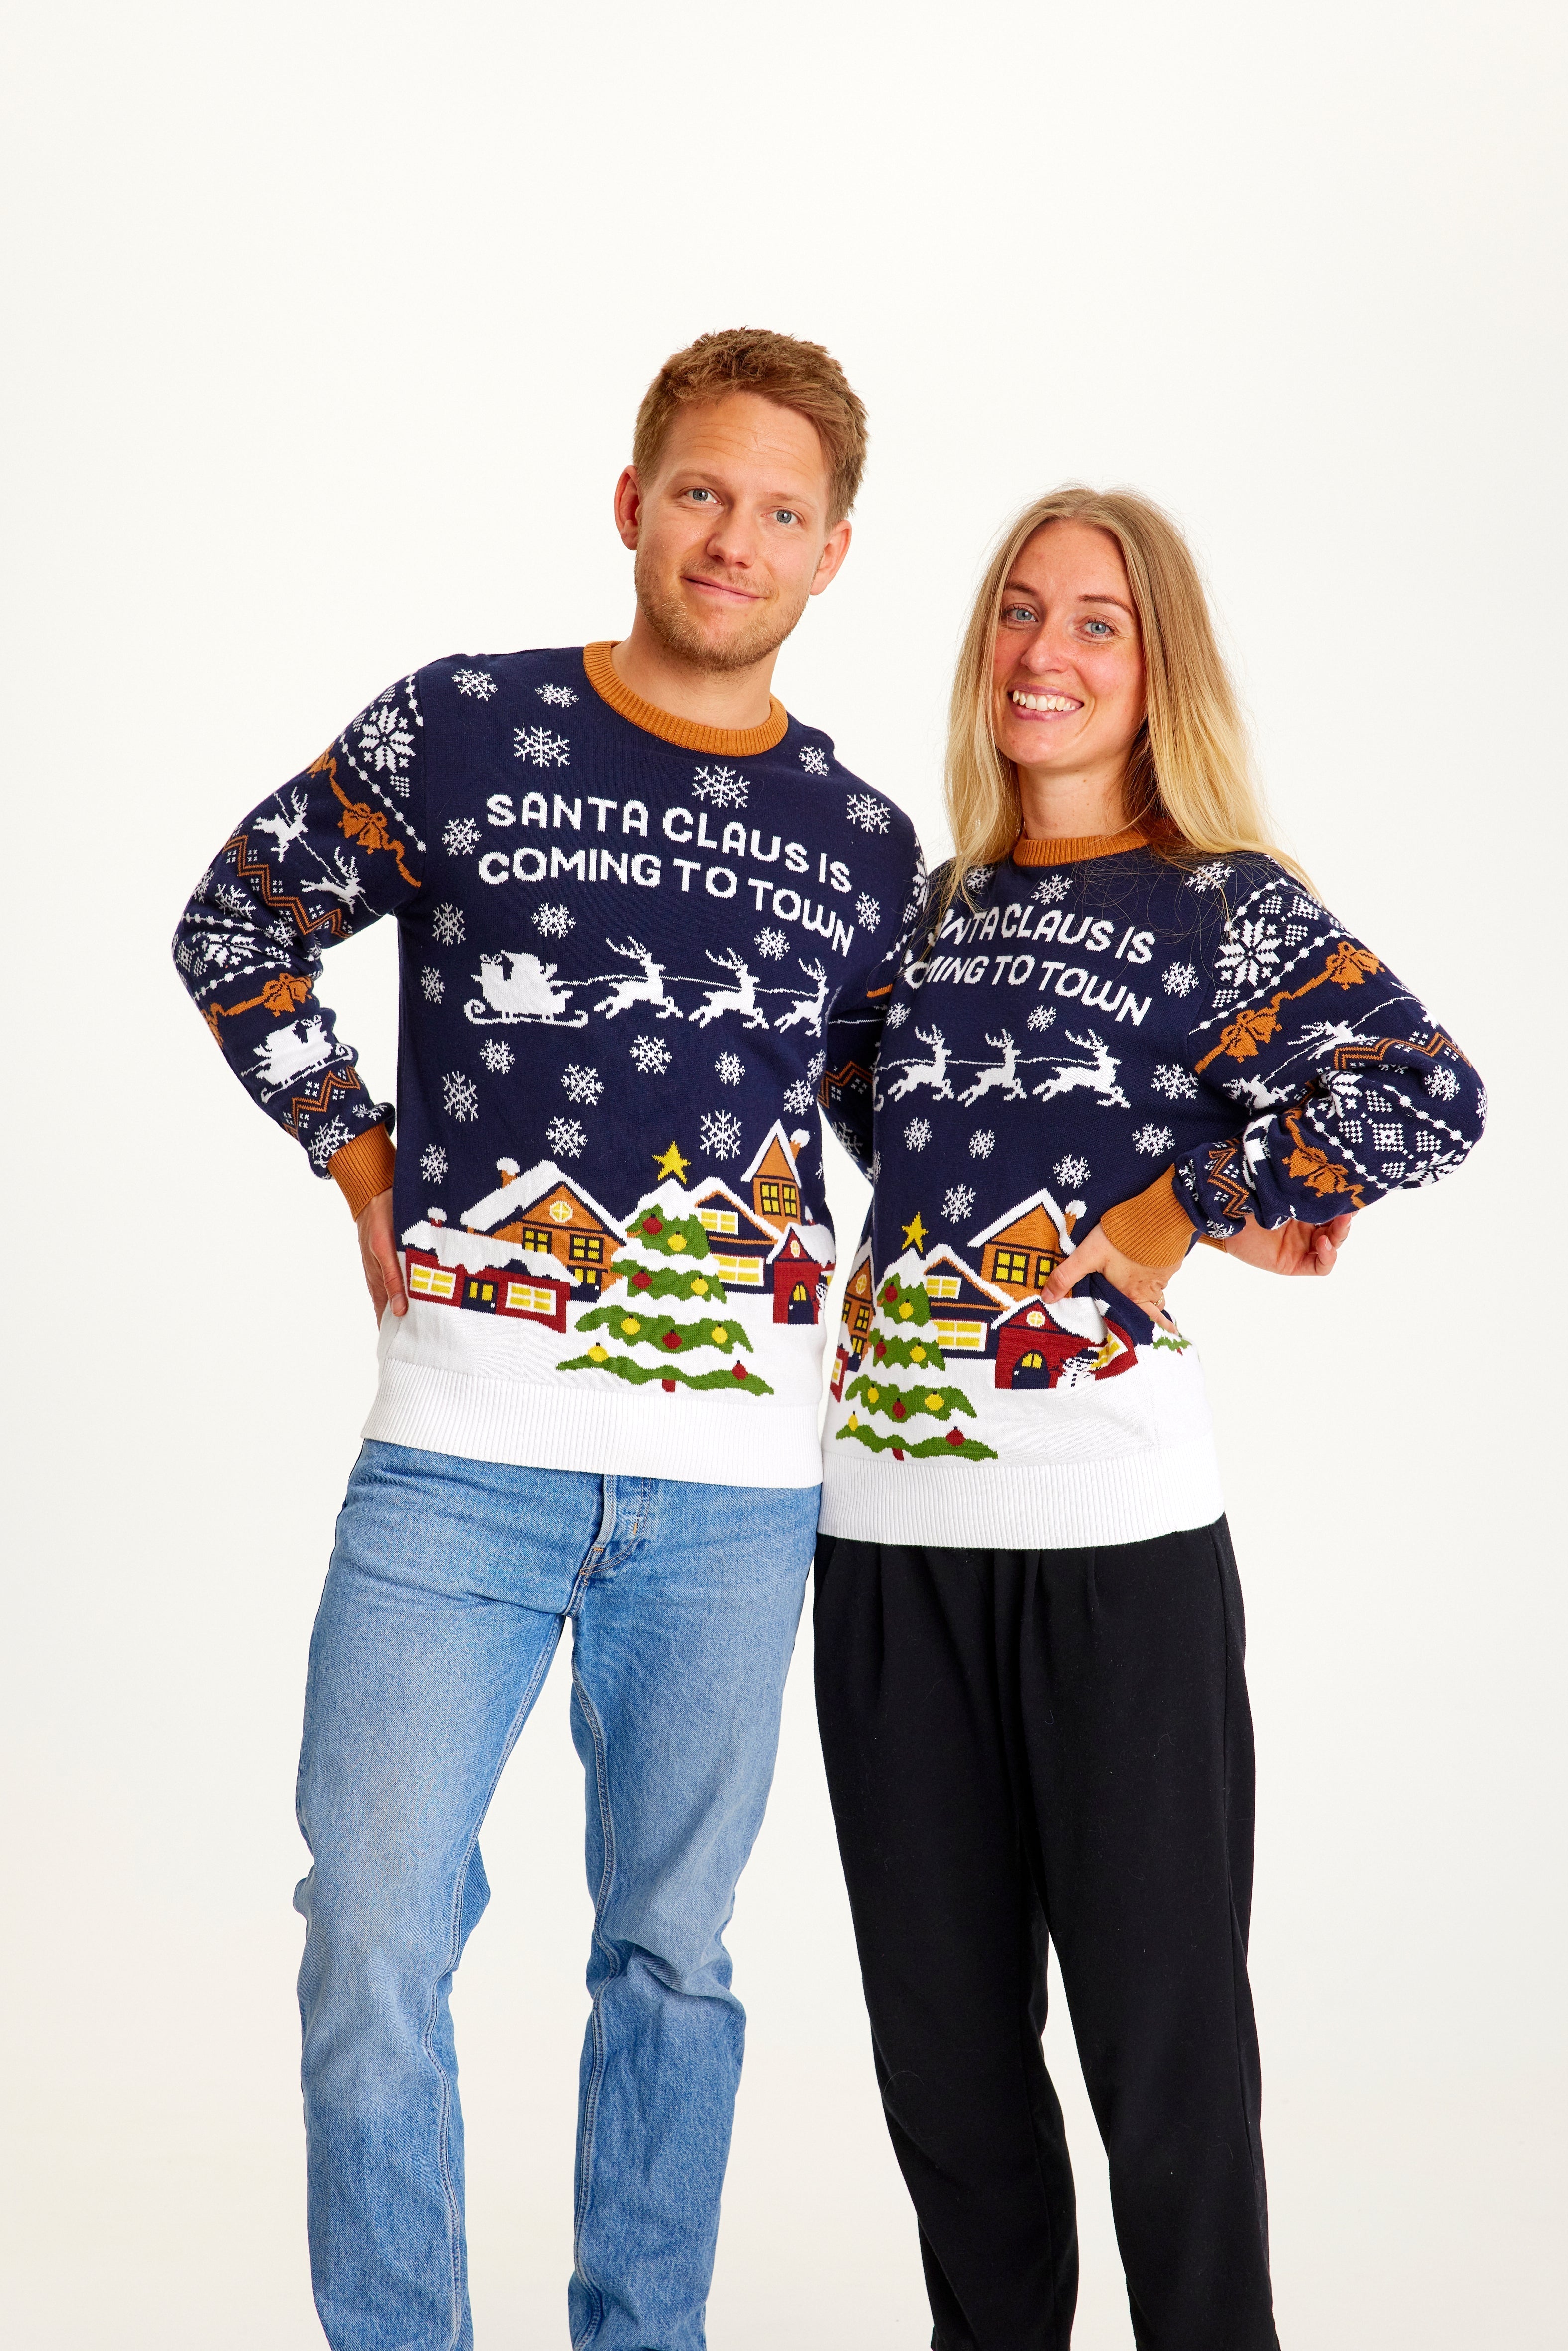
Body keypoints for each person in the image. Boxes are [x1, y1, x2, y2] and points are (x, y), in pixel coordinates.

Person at [172, 328, 923, 2351]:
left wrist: (1178, 1175)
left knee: (671, 1948)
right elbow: (237, 921)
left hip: (741, 1490)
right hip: (459, 1459)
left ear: (832, 551)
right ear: (631, 500)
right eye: (700, 490)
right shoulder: (465, 728)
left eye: (779, 510)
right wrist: (355, 1154)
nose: (730, 536)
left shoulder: (861, 841)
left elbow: (904, 1129)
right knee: (374, 1928)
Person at [813, 486, 1484, 2351]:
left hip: (1117, 1552)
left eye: (1097, 621)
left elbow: (1429, 1091)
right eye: (1022, 612)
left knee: (1166, 2062)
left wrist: (1186, 1205)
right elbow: (897, 1138)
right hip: (882, 1552)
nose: (1048, 651)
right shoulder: (924, 915)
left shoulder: (1223, 901)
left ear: (1154, 661)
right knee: (948, 2079)